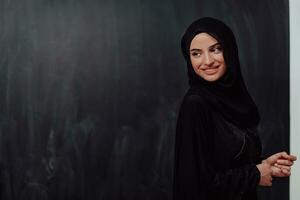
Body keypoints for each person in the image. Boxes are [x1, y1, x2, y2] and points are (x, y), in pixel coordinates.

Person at [173, 17, 297, 200]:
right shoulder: (195, 104)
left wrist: (264, 165)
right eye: (196, 53)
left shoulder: (235, 99)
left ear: (229, 51)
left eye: (215, 49)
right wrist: (254, 174)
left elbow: (222, 163)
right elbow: (194, 186)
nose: (207, 61)